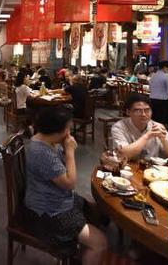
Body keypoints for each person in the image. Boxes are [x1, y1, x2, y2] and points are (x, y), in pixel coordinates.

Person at [24, 109, 107, 264]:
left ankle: (80, 253)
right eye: (68, 128)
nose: (69, 132)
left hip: (57, 200)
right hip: (48, 213)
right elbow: (70, 183)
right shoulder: (42, 152)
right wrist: (70, 151)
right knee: (100, 242)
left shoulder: (46, 139)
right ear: (56, 131)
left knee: (97, 211)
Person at [111, 94, 168, 162]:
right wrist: (147, 136)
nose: (143, 114)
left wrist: (164, 140)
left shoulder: (158, 127)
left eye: (147, 110)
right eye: (138, 111)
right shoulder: (119, 127)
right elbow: (123, 155)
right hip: (127, 167)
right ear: (128, 112)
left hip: (151, 168)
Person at [149, 60, 168, 135]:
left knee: (155, 119)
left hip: (152, 100)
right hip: (163, 101)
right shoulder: (167, 76)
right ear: (165, 67)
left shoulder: (153, 76)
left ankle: (154, 134)